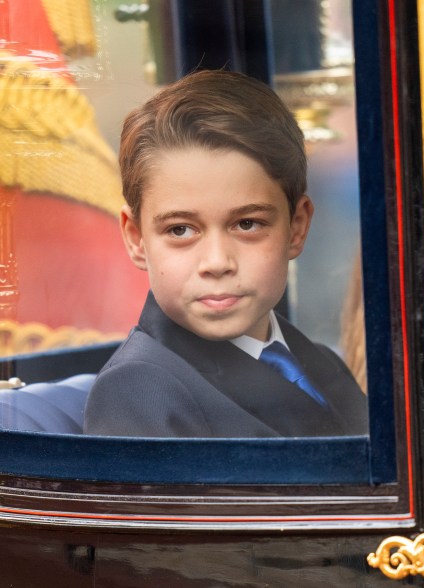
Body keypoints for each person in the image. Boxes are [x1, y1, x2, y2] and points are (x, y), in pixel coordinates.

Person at [84, 69, 367, 438]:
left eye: (247, 224)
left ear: (296, 227)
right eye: (180, 230)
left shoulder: (321, 364)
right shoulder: (140, 391)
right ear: (137, 239)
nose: (217, 262)